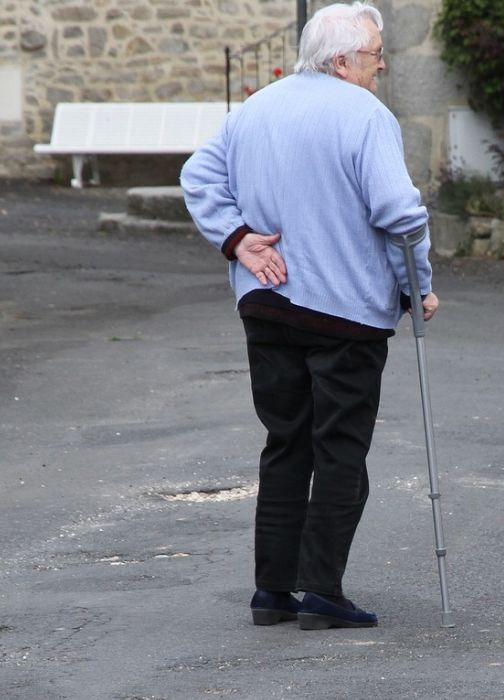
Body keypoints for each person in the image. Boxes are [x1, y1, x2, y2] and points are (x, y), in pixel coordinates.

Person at [180, 1, 437, 630]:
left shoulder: (258, 106)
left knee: (286, 443)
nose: (380, 66)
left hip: (266, 303)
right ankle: (322, 591)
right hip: (345, 312)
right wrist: (417, 288)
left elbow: (197, 176)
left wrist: (238, 238)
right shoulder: (367, 115)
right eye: (376, 55)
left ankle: (273, 591)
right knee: (340, 451)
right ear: (343, 60)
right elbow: (401, 215)